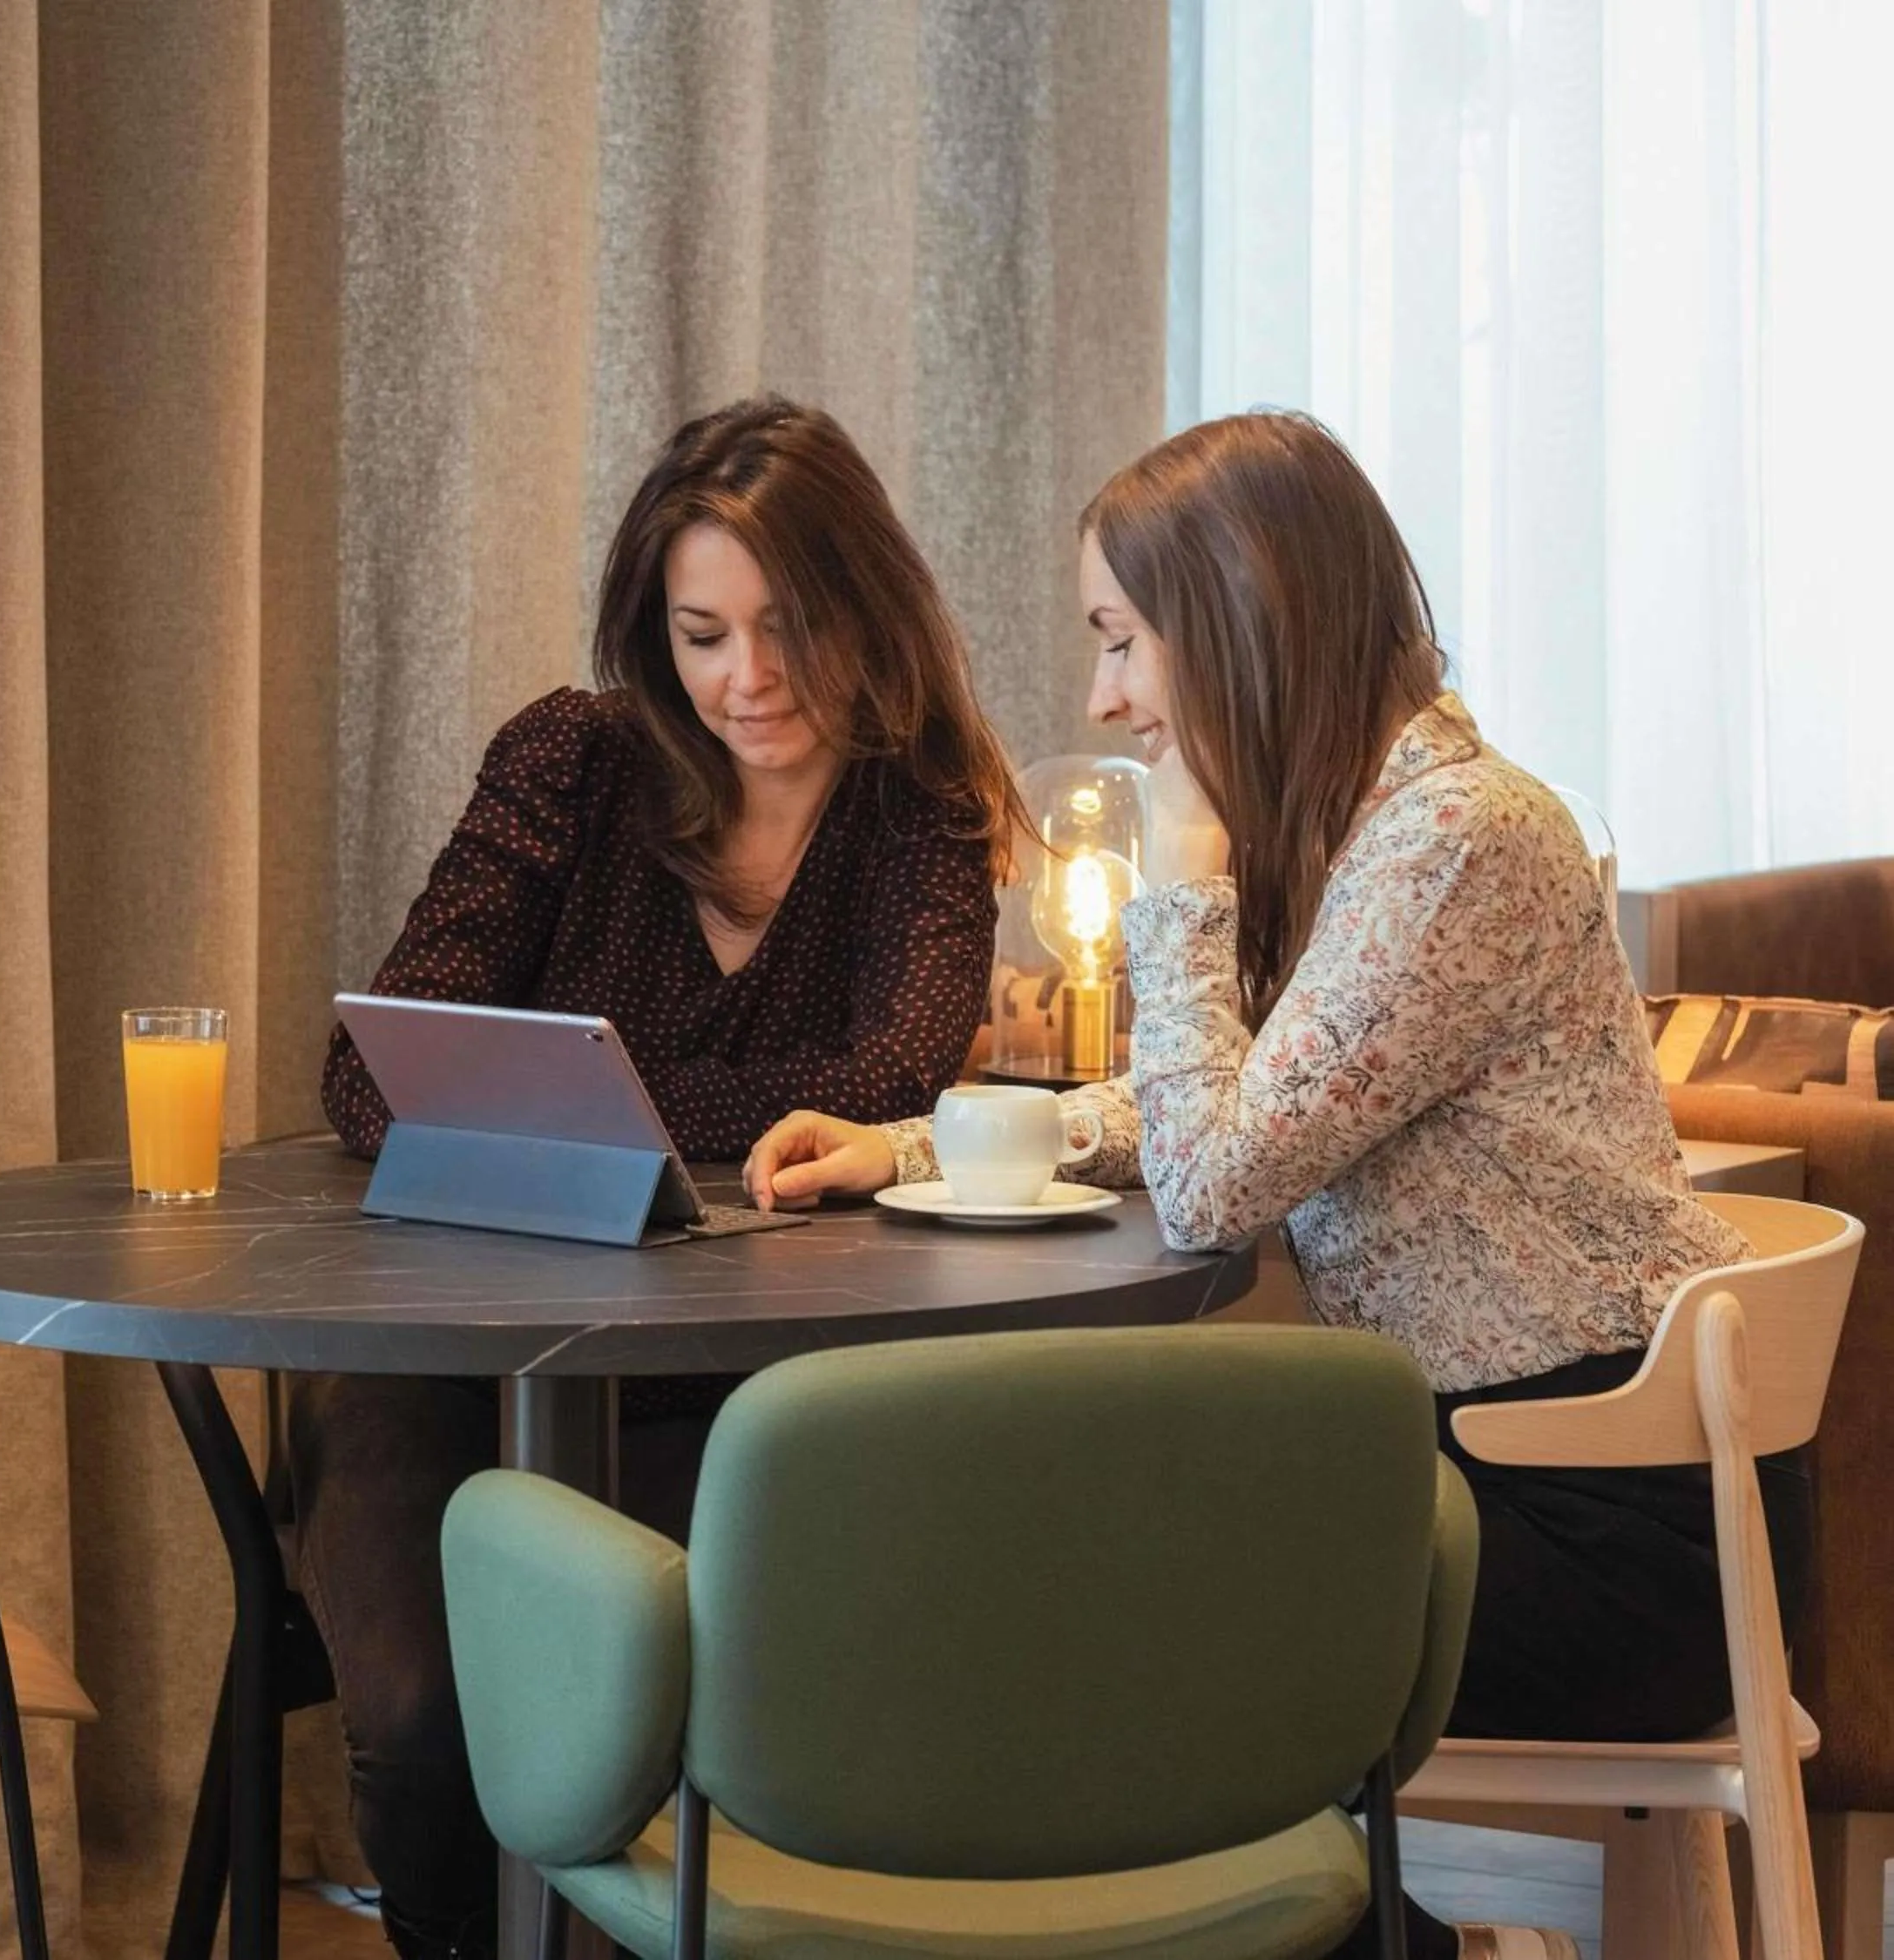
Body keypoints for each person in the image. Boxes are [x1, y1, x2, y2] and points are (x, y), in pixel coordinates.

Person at [744, 411, 1807, 1960]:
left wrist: (1184, 883)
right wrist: (912, 1146)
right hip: (1480, 1475)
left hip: (1603, 1525)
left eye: (1121, 639)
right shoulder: (1376, 824)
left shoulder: (1459, 839)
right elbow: (1242, 1104)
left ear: (1241, 615)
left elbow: (1215, 1181)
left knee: (1084, 1607)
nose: (1103, 697)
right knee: (1065, 1562)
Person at [302, 395, 1023, 1960]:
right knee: (427, 1722)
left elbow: (895, 1079)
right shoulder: (570, 760)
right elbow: (369, 1071)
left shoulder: (921, 811)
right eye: (702, 635)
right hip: (456, 1361)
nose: (745, 678)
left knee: (724, 1716)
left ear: (864, 608)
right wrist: (724, 1113)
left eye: (787, 627)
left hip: (746, 1382)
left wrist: (563, 1095)